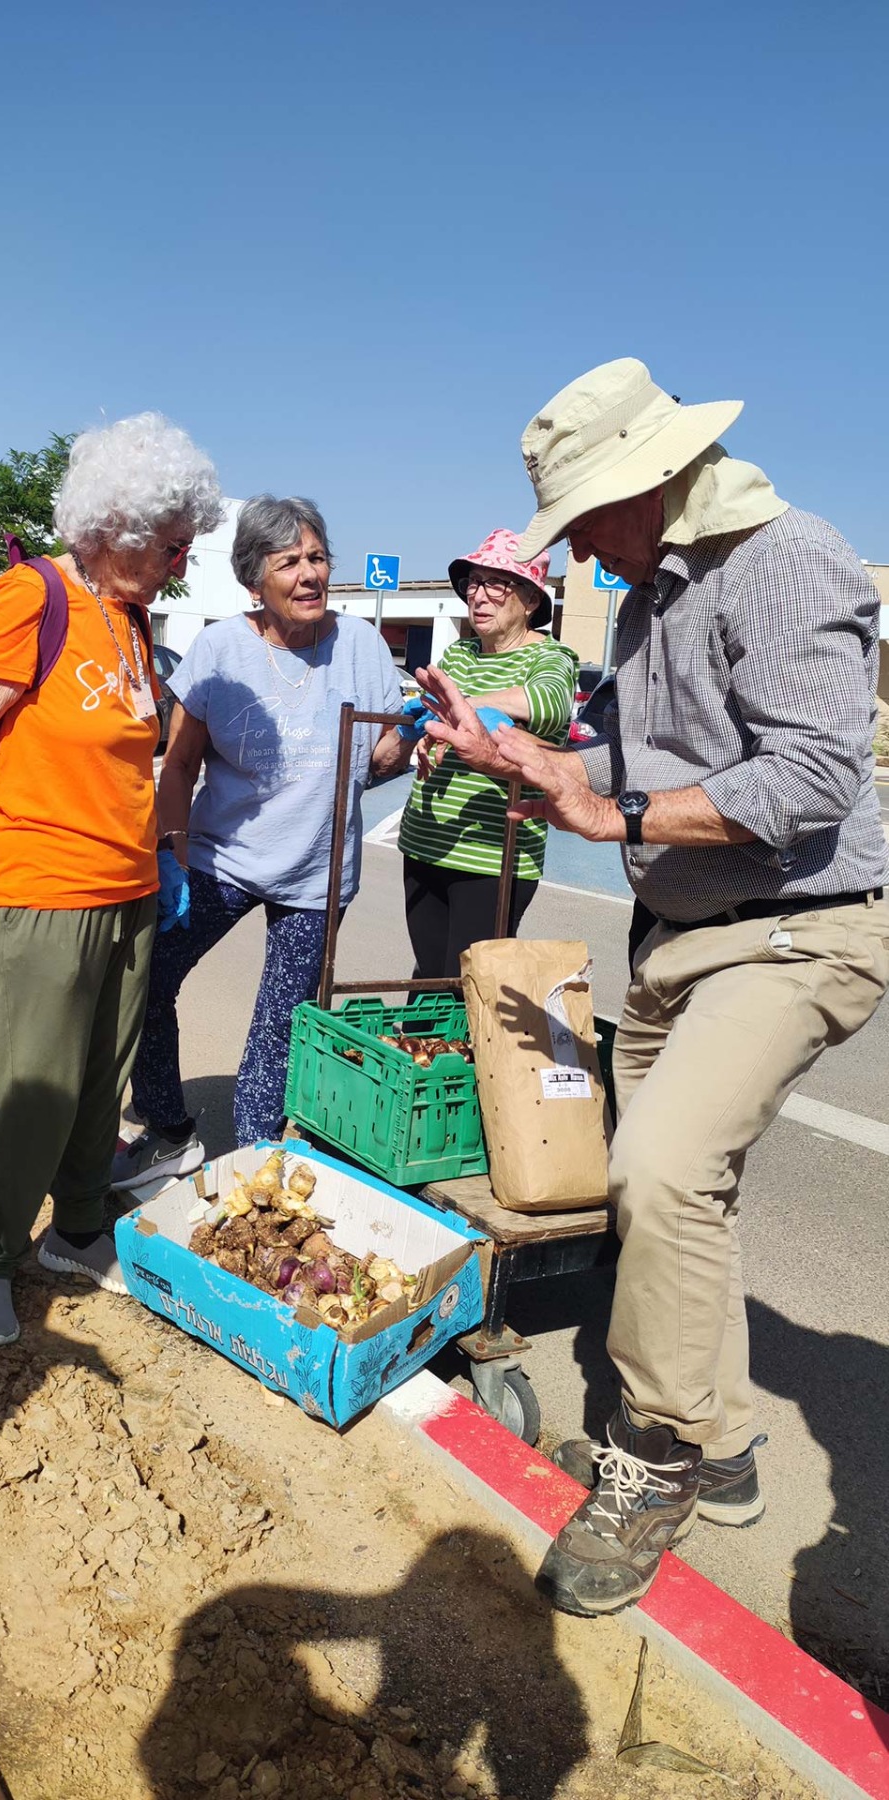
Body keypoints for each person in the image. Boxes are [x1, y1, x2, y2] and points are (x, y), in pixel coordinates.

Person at [422, 358, 888, 1617]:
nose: (586, 555)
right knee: (684, 1202)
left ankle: (657, 1462)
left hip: (794, 929)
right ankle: (724, 1444)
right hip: (675, 938)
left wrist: (608, 802)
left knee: (661, 1172)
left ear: (655, 481)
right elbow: (619, 751)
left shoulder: (786, 556)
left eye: (590, 522)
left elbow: (809, 782)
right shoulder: (643, 602)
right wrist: (522, 752)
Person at [0, 413, 225, 1349]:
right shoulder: (28, 598)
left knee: (97, 1085)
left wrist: (163, 858)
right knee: (30, 1090)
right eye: (172, 545)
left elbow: (131, 762)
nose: (179, 562)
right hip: (31, 895)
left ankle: (77, 1230)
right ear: (118, 525)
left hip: (123, 894)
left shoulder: (125, 617)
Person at [110, 494, 411, 1188]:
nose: (309, 574)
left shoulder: (361, 644)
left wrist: (411, 738)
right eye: (288, 563)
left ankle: (255, 1158)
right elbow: (179, 762)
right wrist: (171, 853)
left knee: (280, 1025)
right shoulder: (220, 649)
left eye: (316, 557)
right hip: (222, 859)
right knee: (148, 980)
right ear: (255, 582)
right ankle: (168, 1129)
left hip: (315, 873)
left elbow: (376, 760)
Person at [397, 529, 577, 978]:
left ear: (531, 599)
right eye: (474, 583)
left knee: (470, 981)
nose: (479, 596)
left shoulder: (550, 658)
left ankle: (471, 1052)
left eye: (496, 583)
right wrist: (428, 735)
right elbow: (434, 713)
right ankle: (422, 1050)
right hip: (426, 839)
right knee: (430, 974)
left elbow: (548, 702)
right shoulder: (459, 653)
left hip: (494, 851)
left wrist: (468, 707)